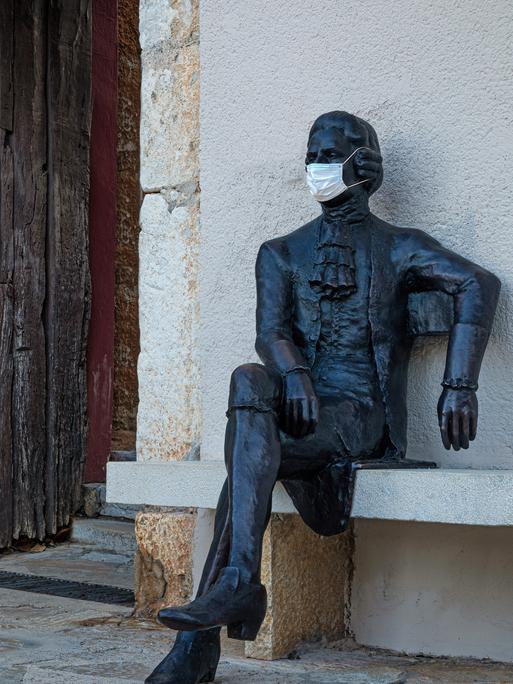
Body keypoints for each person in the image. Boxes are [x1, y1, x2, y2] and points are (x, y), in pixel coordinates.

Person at [146, 111, 500, 684]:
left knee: (244, 461)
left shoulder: (398, 247)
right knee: (245, 380)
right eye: (311, 156)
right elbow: (270, 333)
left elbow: (476, 284)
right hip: (300, 411)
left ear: (363, 167)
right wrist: (293, 374)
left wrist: (460, 383)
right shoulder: (281, 252)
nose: (316, 169)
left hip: (362, 420)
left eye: (328, 157)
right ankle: (233, 587)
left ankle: (207, 632)